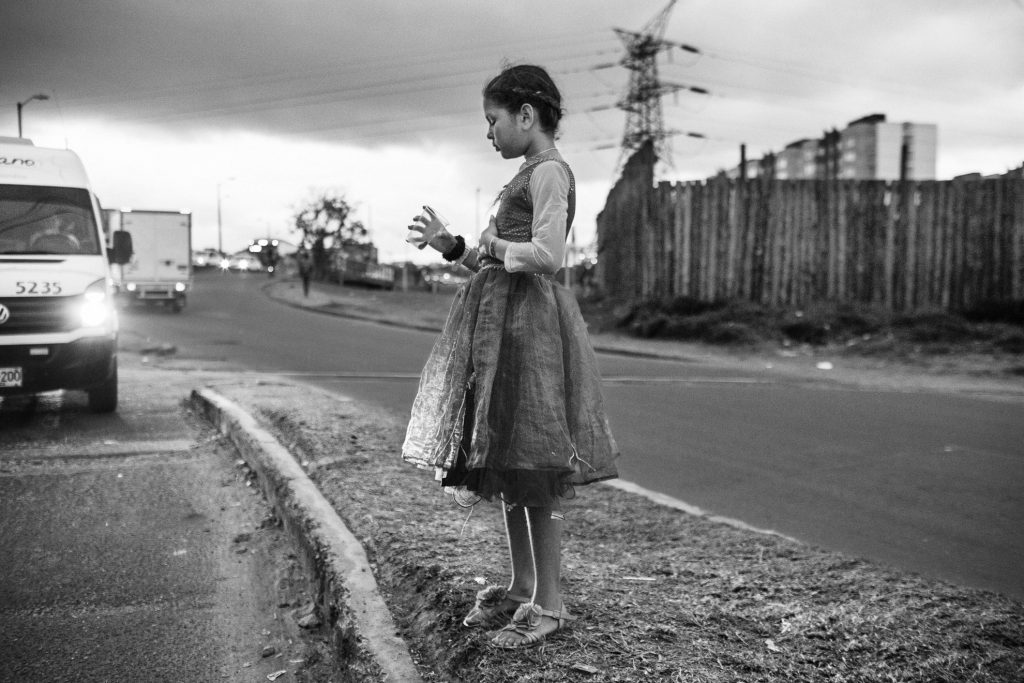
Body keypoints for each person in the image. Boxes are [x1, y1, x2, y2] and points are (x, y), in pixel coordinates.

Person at [402, 63, 619, 649]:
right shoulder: (524, 174)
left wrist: (494, 243)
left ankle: (551, 603)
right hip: (500, 328)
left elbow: (547, 254)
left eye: (493, 120)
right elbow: (491, 261)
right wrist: (451, 245)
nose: (489, 133)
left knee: (534, 460)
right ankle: (523, 583)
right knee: (503, 453)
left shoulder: (550, 172)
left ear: (527, 115)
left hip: (530, 329)